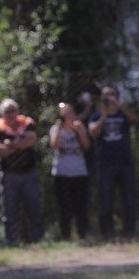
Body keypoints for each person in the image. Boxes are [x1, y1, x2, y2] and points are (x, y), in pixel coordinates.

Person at [88, 84, 139, 240]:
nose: (108, 98)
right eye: (105, 95)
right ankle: (107, 234)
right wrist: (104, 116)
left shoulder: (123, 114)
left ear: (117, 96)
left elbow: (135, 120)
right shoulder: (96, 116)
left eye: (111, 94)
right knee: (106, 200)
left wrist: (120, 107)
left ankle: (128, 232)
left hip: (125, 163)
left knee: (128, 199)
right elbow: (93, 133)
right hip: (105, 164)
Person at [0, 98, 43, 245]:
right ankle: (11, 241)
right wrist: (20, 144)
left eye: (13, 110)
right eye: (7, 111)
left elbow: (31, 140)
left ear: (17, 111)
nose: (11, 114)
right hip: (9, 175)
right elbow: (1, 151)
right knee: (9, 211)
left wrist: (11, 144)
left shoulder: (27, 123)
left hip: (28, 173)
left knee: (34, 208)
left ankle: (38, 240)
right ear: (2, 114)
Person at [49, 101, 92, 240]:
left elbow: (86, 146)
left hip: (79, 172)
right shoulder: (56, 129)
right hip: (61, 173)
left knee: (81, 206)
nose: (69, 115)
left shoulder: (80, 127)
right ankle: (66, 235)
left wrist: (80, 131)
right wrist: (59, 129)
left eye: (71, 112)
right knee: (64, 207)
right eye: (65, 113)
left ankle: (82, 234)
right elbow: (55, 146)